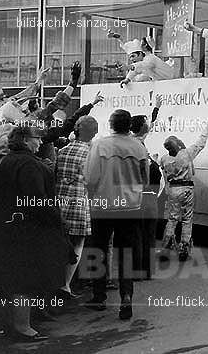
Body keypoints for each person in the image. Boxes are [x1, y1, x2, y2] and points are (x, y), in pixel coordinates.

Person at [0, 126, 74, 342]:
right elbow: (36, 200)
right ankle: (23, 327)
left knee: (17, 277)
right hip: (30, 230)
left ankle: (17, 323)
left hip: (14, 226)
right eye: (36, 139)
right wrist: (56, 219)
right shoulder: (28, 164)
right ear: (24, 140)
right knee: (26, 278)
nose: (40, 143)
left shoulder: (9, 160)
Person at [84, 109, 148, 320]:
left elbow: (91, 177)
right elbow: (145, 179)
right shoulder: (138, 147)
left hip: (103, 206)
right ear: (129, 126)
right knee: (126, 253)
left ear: (110, 124)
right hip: (130, 207)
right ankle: (127, 296)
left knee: (99, 250)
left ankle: (99, 297)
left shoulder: (100, 145)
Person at [159, 116, 208, 261]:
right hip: (186, 190)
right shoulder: (186, 154)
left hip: (172, 190)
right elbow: (200, 143)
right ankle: (184, 247)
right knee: (186, 219)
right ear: (178, 145)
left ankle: (166, 247)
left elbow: (164, 174)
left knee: (172, 219)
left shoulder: (164, 159)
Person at [55, 115, 99, 299]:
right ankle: (66, 285)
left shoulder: (63, 150)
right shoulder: (91, 154)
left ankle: (55, 282)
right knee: (78, 243)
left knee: (60, 242)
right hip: (79, 200)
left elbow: (56, 172)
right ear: (93, 133)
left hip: (59, 200)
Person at [130, 111, 163, 279]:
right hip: (141, 195)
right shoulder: (135, 146)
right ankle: (144, 270)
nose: (148, 125)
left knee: (142, 233)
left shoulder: (135, 142)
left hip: (143, 196)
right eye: (146, 122)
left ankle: (142, 269)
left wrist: (156, 109)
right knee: (143, 233)